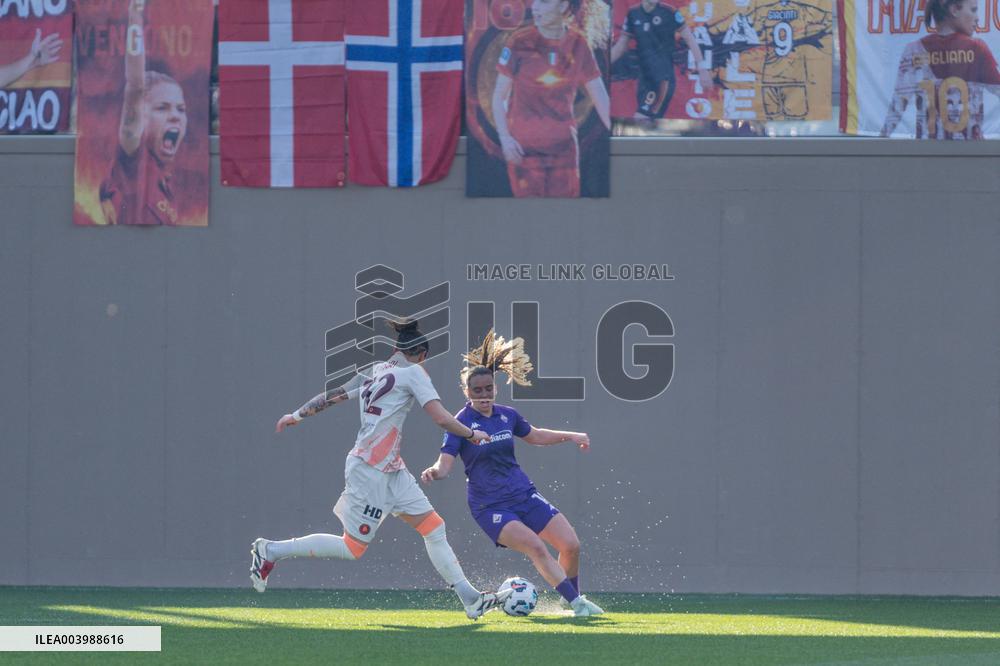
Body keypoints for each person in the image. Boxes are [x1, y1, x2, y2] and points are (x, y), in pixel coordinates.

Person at [253, 320, 511, 620]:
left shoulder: (373, 370)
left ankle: (471, 599)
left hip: (391, 469)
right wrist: (471, 434)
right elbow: (441, 418)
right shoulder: (415, 372)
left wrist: (296, 414)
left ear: (395, 349)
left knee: (433, 527)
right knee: (353, 548)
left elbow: (332, 395)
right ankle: (271, 550)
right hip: (370, 469)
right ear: (423, 354)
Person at [420, 331, 605, 617]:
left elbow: (536, 436)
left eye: (487, 389)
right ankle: (578, 604)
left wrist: (572, 435)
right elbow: (444, 464)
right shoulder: (460, 423)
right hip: (490, 505)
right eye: (476, 390)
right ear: (466, 392)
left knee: (571, 545)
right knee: (535, 546)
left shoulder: (508, 415)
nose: (483, 395)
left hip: (523, 494)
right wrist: (434, 471)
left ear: (495, 388)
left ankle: (569, 599)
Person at [492, 0, 611, 197]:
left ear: (563, 6)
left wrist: (620, 138)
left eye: (545, 2)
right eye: (535, 1)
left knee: (564, 219)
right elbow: (498, 97)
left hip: (564, 155)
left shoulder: (579, 44)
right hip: (524, 153)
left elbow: (600, 98)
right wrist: (505, 139)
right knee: (528, 218)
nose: (536, 8)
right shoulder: (519, 41)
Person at [99, 0, 189, 224]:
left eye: (181, 109)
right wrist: (135, 16)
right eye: (162, 107)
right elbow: (136, 86)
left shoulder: (169, 182)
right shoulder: (132, 157)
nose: (176, 115)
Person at [881, 0, 1000, 139]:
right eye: (973, 10)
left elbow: (896, 109)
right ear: (954, 10)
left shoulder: (913, 50)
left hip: (928, 151)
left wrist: (880, 142)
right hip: (970, 150)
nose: (978, 18)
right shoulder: (978, 48)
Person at [610, 0, 713, 120]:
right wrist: (602, 67)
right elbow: (621, 46)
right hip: (644, 79)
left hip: (662, 79)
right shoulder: (633, 13)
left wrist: (702, 69)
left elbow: (690, 39)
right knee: (645, 125)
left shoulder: (669, 12)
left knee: (641, 118)